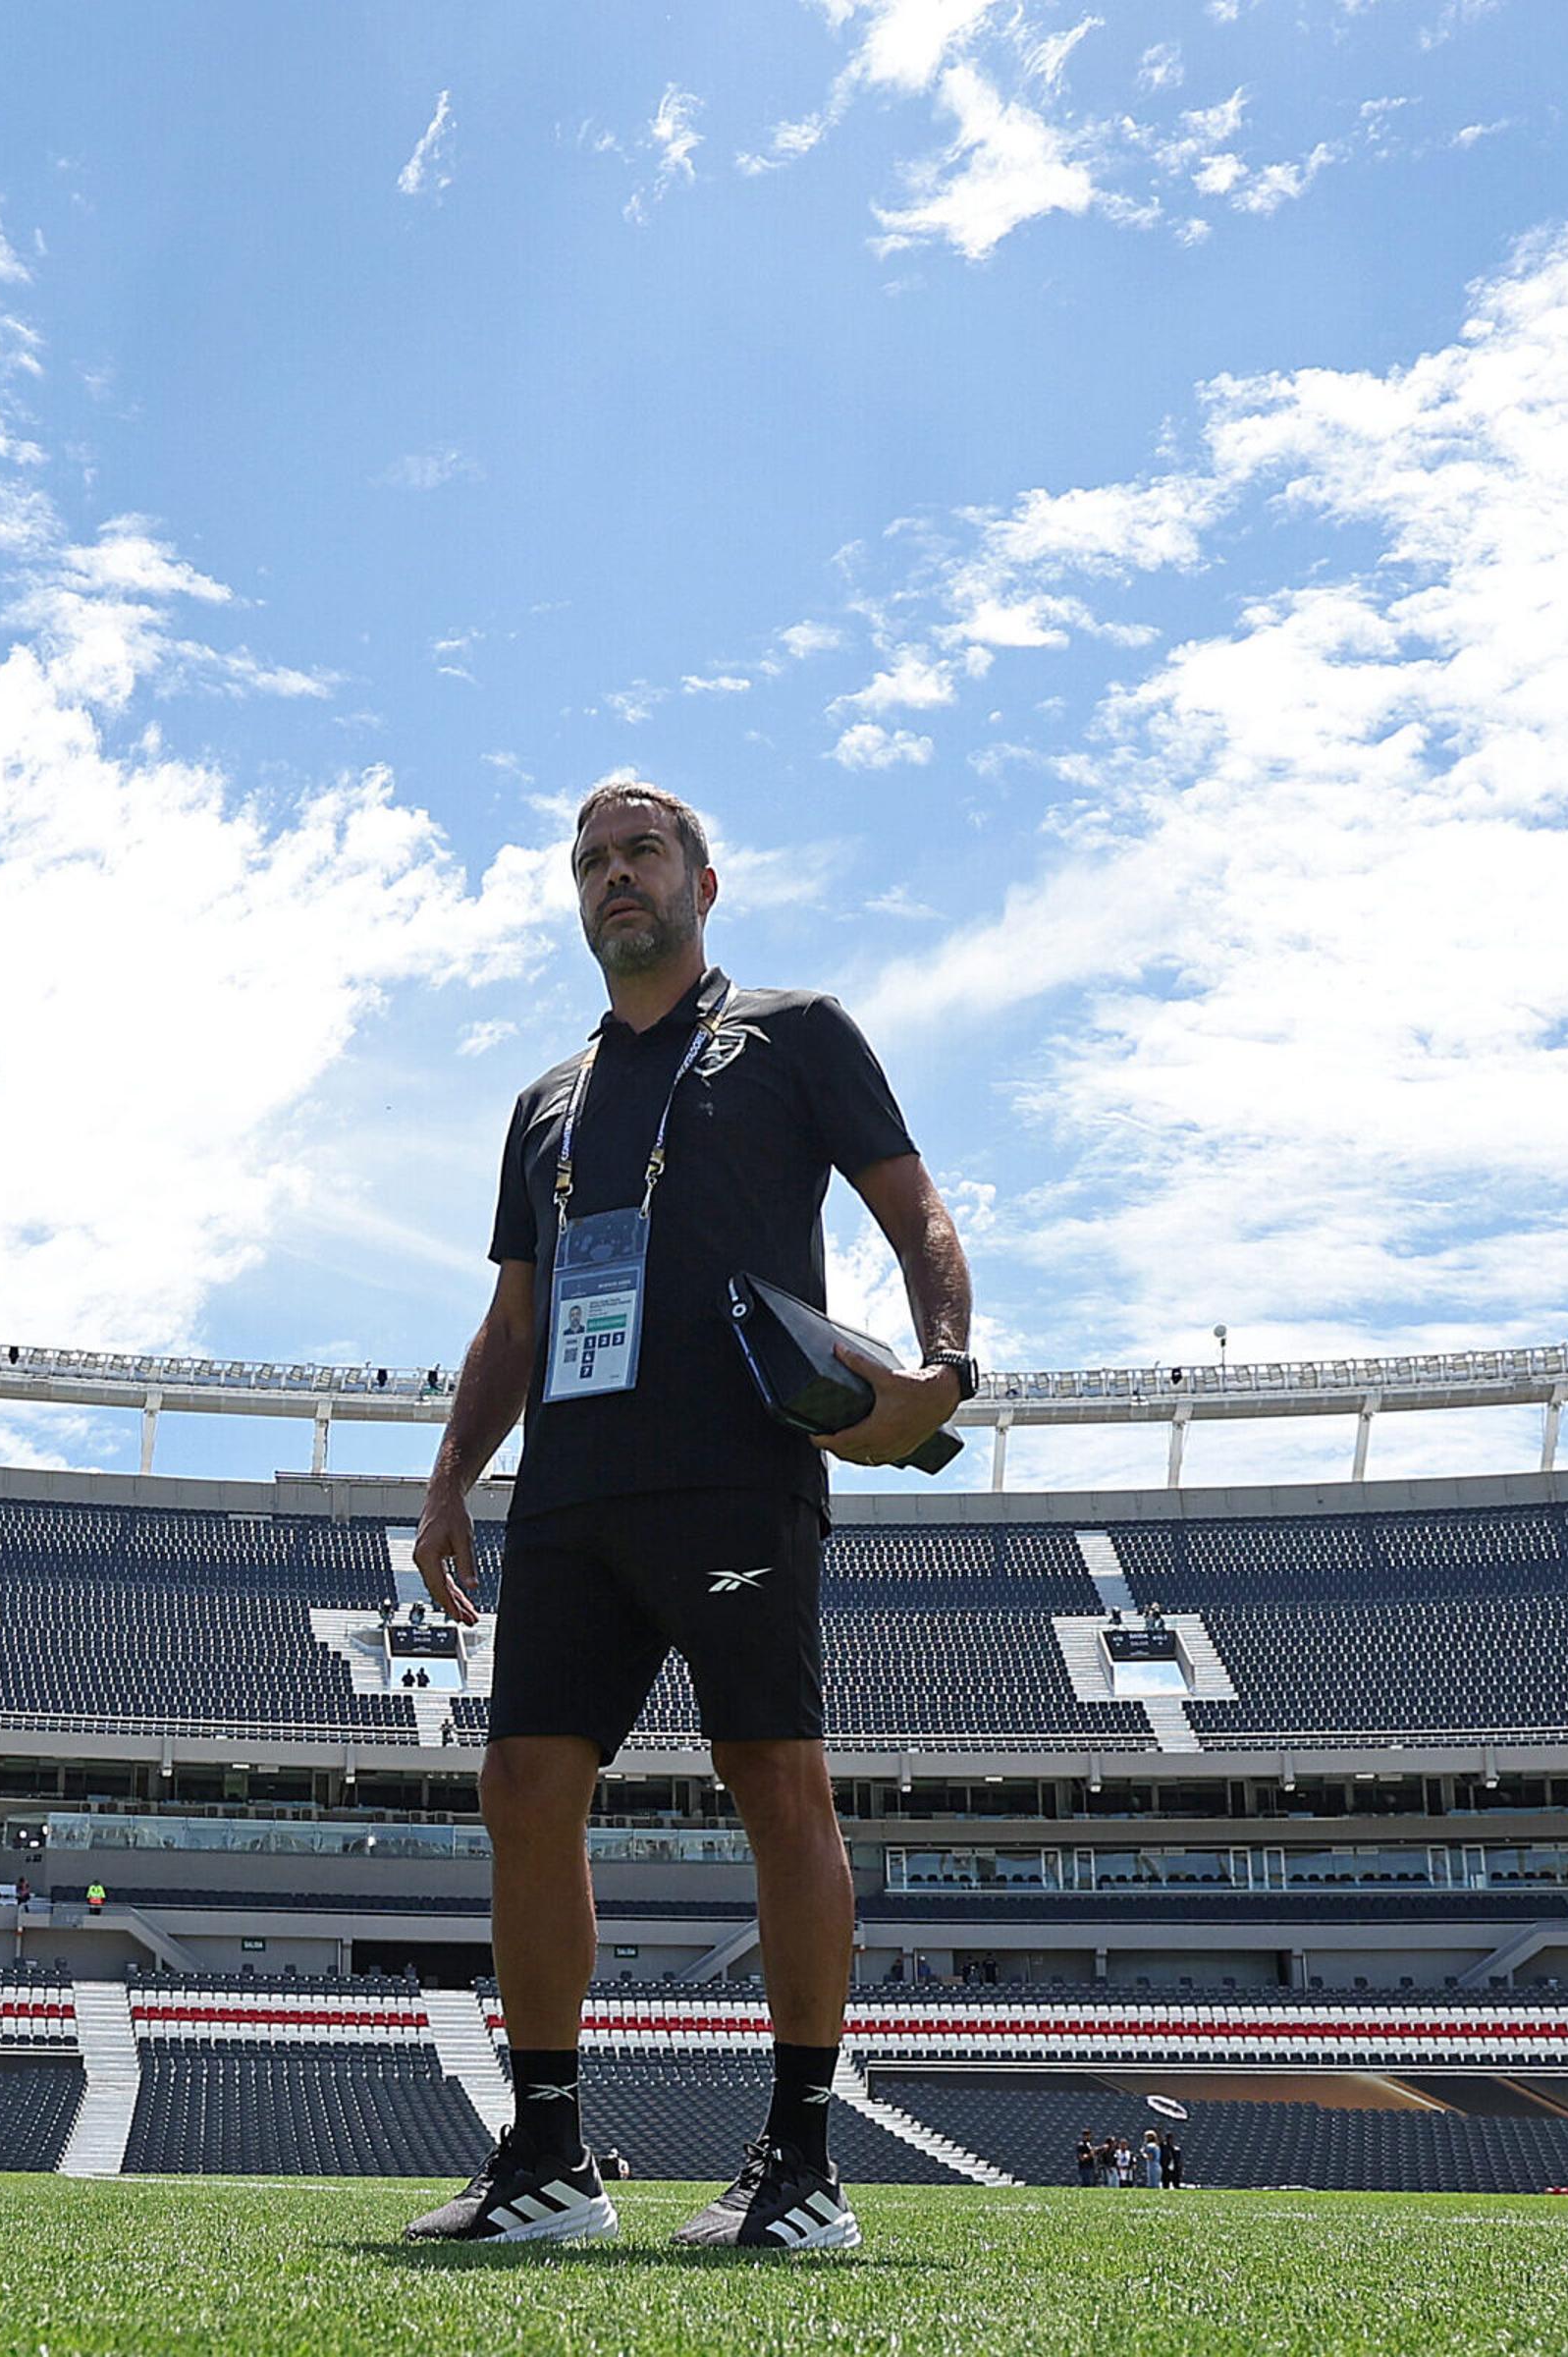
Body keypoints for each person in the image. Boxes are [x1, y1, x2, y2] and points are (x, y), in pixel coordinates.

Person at [407, 782, 972, 2257]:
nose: (614, 878)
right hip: (577, 1491)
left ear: (704, 884)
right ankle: (548, 2158)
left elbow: (914, 1209)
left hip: (738, 1469)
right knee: (524, 1785)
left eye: (641, 852)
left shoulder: (797, 1035)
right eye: (590, 861)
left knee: (775, 1781)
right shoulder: (544, 1101)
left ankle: (801, 2163)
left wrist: (942, 1371)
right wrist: (453, 1474)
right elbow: (517, 1315)